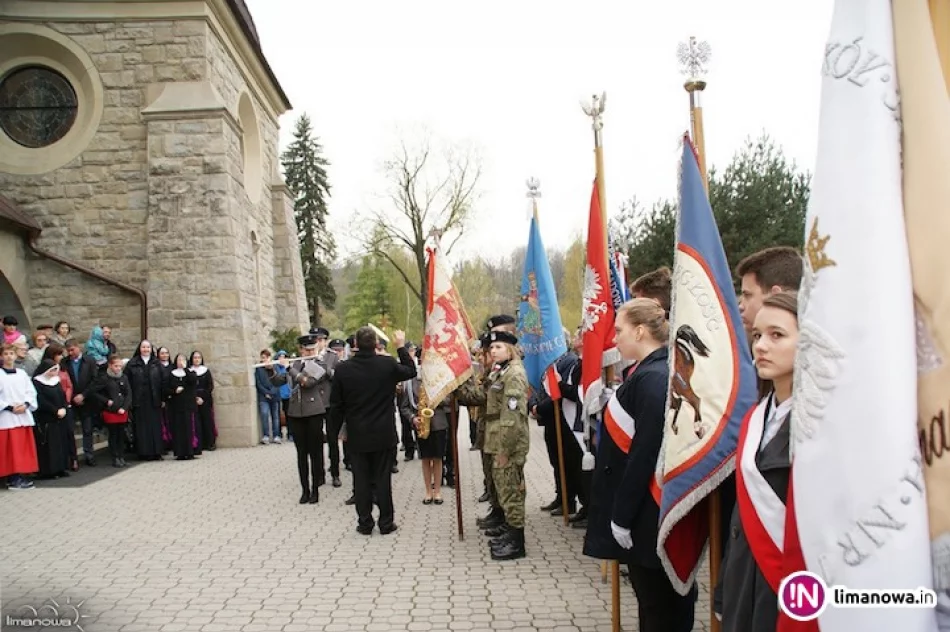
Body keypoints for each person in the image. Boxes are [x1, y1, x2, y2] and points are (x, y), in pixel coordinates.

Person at [583, 298, 696, 632]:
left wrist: (621, 516)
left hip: (648, 513)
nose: (614, 338)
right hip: (644, 513)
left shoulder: (654, 378)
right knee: (651, 603)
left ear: (641, 331)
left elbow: (644, 454)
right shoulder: (648, 372)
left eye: (620, 330)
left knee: (659, 606)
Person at [720, 291, 799, 632]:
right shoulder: (755, 417)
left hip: (788, 586)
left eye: (777, 335)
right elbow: (741, 515)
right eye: (757, 336)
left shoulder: (826, 427)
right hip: (744, 579)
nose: (761, 346)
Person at [328, 327, 416, 535]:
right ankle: (386, 523)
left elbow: (336, 405)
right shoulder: (386, 364)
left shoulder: (343, 369)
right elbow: (411, 370)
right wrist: (401, 346)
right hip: (383, 432)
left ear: (355, 345)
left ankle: (365, 523)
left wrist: (335, 431)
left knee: (361, 479)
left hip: (357, 433)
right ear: (377, 344)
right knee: (383, 478)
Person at [481, 330, 530, 560]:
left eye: (498, 347)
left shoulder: (514, 374)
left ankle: (517, 543)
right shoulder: (501, 371)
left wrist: (505, 450)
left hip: (508, 442)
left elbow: (512, 416)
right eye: (491, 348)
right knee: (504, 488)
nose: (493, 351)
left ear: (510, 349)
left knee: (511, 491)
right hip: (497, 438)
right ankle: (510, 533)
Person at [273, 333, 333, 505]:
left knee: (314, 452)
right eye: (305, 350)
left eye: (311, 349)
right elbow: (279, 382)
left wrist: (289, 369)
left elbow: (307, 382)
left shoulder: (319, 364)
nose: (308, 352)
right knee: (301, 454)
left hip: (313, 412)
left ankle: (315, 489)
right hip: (295, 413)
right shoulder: (295, 363)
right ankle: (304, 489)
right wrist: (272, 370)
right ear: (300, 350)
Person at [0, 343, 38, 489]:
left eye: (11, 353)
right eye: (6, 354)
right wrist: (9, 407)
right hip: (6, 417)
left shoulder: (22, 374)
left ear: (16, 356)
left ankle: (21, 475)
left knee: (22, 448)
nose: (9, 356)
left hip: (22, 415)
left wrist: (26, 404)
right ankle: (12, 478)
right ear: (1, 357)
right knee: (10, 450)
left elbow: (31, 392)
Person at [124, 340, 165, 461]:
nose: (146, 349)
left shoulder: (157, 363)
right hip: (139, 400)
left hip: (154, 399)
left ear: (151, 349)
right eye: (143, 347)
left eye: (148, 347)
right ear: (139, 348)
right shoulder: (132, 363)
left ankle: (156, 452)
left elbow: (163, 381)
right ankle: (143, 452)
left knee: (155, 426)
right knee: (141, 427)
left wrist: (163, 398)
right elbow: (127, 383)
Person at [31, 359, 69, 479]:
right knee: (48, 446)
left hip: (59, 417)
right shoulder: (37, 382)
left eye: (55, 370)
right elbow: (40, 400)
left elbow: (62, 396)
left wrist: (63, 407)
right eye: (52, 370)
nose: (54, 373)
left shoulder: (55, 381)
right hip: (46, 418)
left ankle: (61, 468)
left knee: (60, 444)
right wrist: (54, 410)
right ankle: (48, 471)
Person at [94, 354, 133, 468]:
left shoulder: (123, 377)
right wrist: (106, 401)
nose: (118, 368)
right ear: (110, 365)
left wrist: (125, 407)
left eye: (120, 366)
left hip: (122, 410)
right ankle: (115, 457)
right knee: (114, 434)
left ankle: (121, 456)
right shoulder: (104, 378)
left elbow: (128, 394)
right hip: (110, 411)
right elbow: (95, 392)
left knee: (122, 434)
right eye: (116, 366)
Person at [166, 354, 199, 461]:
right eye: (179, 359)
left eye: (183, 359)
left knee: (189, 429)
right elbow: (166, 389)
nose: (181, 361)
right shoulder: (171, 374)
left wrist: (185, 368)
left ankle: (190, 452)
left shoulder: (190, 372)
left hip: (188, 406)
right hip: (176, 406)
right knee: (178, 430)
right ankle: (180, 453)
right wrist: (174, 391)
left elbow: (193, 381)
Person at [189, 350, 216, 451]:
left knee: (207, 421)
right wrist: (195, 398)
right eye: (195, 358)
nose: (197, 359)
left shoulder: (205, 370)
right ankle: (198, 444)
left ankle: (209, 443)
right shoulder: (189, 371)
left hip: (205, 399)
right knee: (196, 423)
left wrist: (202, 397)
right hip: (193, 399)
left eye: (198, 357)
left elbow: (210, 386)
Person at [256, 349, 282, 445]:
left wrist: (272, 392)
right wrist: (265, 392)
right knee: (264, 414)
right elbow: (258, 382)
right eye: (262, 358)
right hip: (264, 396)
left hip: (275, 395)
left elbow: (279, 380)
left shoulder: (275, 367)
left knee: (275, 416)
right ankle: (266, 435)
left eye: (266, 358)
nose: (264, 360)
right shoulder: (258, 368)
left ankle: (276, 435)